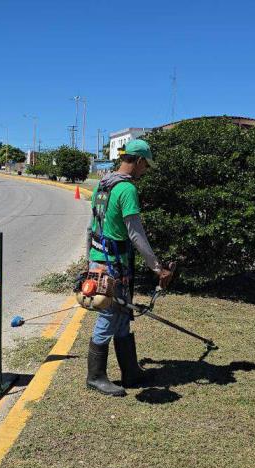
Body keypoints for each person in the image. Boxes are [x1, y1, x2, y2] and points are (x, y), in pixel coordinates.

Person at [85, 138, 172, 396]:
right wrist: (157, 267)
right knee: (110, 315)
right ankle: (95, 376)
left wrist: (88, 260)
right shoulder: (127, 189)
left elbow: (92, 225)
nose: (145, 171)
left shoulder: (103, 183)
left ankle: (130, 372)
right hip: (114, 264)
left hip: (99, 257)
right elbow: (135, 234)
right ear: (140, 161)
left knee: (122, 313)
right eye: (146, 166)